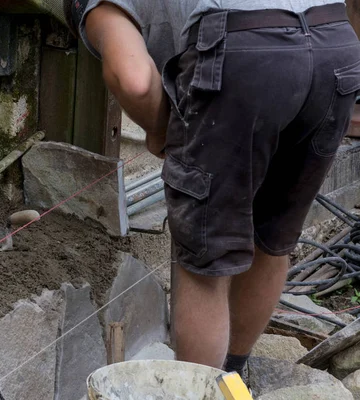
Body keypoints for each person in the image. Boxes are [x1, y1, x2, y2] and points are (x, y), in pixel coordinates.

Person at [64, 0, 360, 378]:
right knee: (272, 238)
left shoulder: (93, 6)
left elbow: (135, 81)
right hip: (334, 42)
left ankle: (201, 388)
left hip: (244, 49)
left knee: (206, 260)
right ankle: (234, 376)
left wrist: (158, 130)